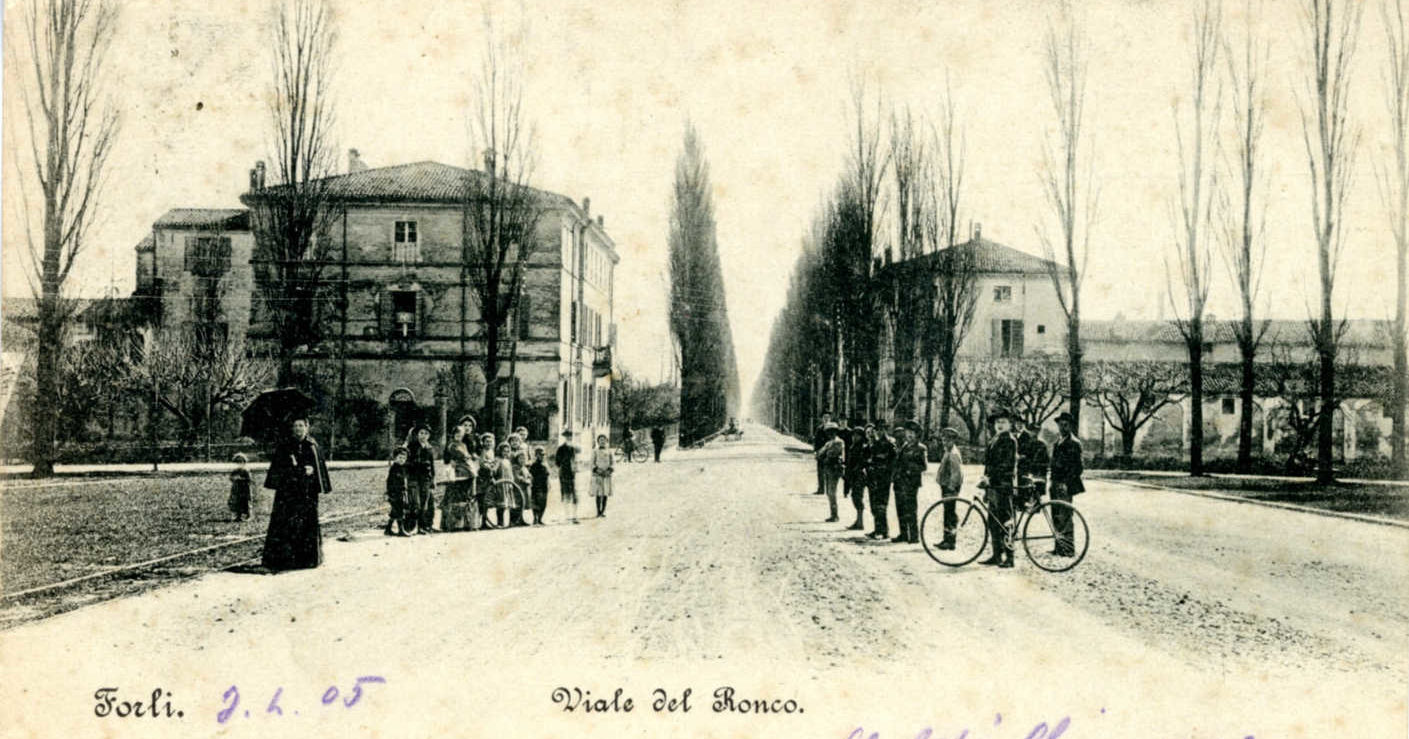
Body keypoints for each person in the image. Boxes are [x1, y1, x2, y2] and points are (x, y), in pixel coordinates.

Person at [261, 417, 332, 571]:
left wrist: (311, 472)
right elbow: (278, 470)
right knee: (286, 523)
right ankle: (284, 559)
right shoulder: (285, 446)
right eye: (295, 425)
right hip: (288, 493)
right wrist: (296, 469)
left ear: (307, 427)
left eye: (301, 425)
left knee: (306, 523)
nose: (298, 428)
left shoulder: (312, 446)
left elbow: (318, 472)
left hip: (306, 493)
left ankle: (307, 559)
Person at [978, 409, 1019, 568]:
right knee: (993, 522)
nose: (1000, 425)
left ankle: (1010, 557)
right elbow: (989, 464)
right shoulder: (994, 439)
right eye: (997, 422)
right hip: (993, 486)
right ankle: (996, 555)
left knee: (1006, 522)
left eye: (1003, 422)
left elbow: (1006, 465)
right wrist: (986, 481)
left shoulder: (1009, 440)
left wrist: (990, 477)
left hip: (1004, 486)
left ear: (1010, 424)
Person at [1048, 411, 1085, 557]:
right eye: (1060, 424)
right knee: (1056, 515)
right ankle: (1058, 547)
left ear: (1070, 426)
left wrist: (1066, 483)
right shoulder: (1058, 442)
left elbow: (1077, 468)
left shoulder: (1074, 443)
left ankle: (1068, 549)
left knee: (1066, 516)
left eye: (1066, 425)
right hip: (1055, 483)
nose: (1063, 427)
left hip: (1065, 485)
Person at [440, 416, 479, 532]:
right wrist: (451, 461)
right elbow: (448, 456)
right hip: (459, 470)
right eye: (465, 425)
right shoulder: (453, 444)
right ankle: (454, 523)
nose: (467, 428)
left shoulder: (470, 440)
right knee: (456, 496)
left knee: (469, 496)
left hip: (469, 469)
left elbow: (473, 453)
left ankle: (469, 522)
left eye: (470, 425)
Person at [891, 420, 928, 544]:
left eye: (912, 433)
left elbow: (923, 466)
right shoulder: (904, 446)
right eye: (908, 432)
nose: (910, 435)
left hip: (911, 483)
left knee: (911, 509)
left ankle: (914, 536)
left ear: (917, 434)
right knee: (900, 508)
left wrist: (909, 469)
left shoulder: (921, 448)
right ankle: (903, 534)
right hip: (899, 482)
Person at [865, 421, 896, 540]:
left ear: (885, 430)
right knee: (874, 503)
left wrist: (889, 474)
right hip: (874, 476)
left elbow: (893, 461)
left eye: (882, 429)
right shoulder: (876, 443)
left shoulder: (889, 443)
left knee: (881, 504)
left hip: (884, 477)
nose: (879, 431)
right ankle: (878, 529)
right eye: (878, 429)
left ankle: (884, 531)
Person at [406, 424, 438, 535]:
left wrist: (433, 478)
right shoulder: (412, 446)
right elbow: (407, 462)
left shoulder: (429, 448)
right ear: (417, 434)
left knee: (425, 502)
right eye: (421, 433)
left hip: (426, 479)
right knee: (416, 503)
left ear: (429, 436)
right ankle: (412, 526)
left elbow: (432, 465)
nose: (423, 436)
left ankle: (423, 526)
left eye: (426, 434)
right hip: (414, 477)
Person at [935, 427, 964, 550]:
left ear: (952, 441)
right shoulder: (948, 451)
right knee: (947, 513)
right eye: (943, 440)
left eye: (947, 440)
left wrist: (951, 488)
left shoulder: (953, 454)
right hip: (946, 486)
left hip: (950, 488)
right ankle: (947, 539)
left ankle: (950, 541)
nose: (944, 443)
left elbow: (957, 473)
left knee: (950, 514)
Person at [1015, 417, 1050, 511]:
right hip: (1030, 467)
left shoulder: (1042, 444)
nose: (1034, 433)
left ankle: (1037, 505)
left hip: (1039, 468)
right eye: (1033, 431)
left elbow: (1045, 458)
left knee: (1038, 487)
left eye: (1036, 431)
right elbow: (1027, 454)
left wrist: (1040, 465)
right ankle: (1026, 504)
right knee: (1028, 486)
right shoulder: (1029, 443)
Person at [817, 423, 845, 522]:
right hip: (828, 468)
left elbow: (830, 454)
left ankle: (835, 515)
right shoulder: (828, 443)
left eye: (832, 431)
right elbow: (819, 454)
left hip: (834, 469)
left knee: (832, 492)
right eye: (828, 432)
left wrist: (824, 455)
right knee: (829, 493)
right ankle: (833, 514)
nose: (830, 434)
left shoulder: (838, 442)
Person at [843, 427, 869, 531]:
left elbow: (862, 462)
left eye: (857, 435)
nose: (855, 437)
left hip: (858, 476)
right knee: (855, 497)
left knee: (858, 498)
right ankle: (858, 521)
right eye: (853, 435)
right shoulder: (853, 447)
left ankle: (860, 522)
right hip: (852, 476)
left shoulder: (863, 447)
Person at [555, 430, 581, 524]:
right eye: (567, 436)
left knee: (575, 494)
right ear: (564, 437)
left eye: (570, 436)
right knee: (566, 494)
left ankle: (575, 516)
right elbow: (557, 462)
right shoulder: (561, 448)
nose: (569, 438)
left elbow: (578, 459)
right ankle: (567, 516)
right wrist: (564, 465)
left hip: (574, 474)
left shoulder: (575, 448)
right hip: (564, 473)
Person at [385, 445, 410, 536]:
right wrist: (390, 493)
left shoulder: (402, 468)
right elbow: (390, 481)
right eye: (399, 457)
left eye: (404, 458)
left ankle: (388, 529)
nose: (402, 460)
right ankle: (401, 530)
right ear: (395, 458)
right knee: (399, 511)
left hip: (400, 492)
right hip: (394, 493)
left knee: (394, 511)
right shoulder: (394, 468)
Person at [508, 433, 533, 526]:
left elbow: (525, 462)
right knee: (515, 500)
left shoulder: (522, 451)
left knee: (523, 500)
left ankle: (521, 518)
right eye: (512, 441)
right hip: (513, 479)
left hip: (522, 481)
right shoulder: (509, 453)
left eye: (517, 441)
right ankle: (513, 520)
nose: (515, 443)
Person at [591, 434, 614, 517]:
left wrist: (609, 470)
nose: (602, 442)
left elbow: (612, 463)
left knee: (605, 493)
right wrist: (597, 470)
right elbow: (592, 463)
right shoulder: (595, 451)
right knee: (598, 493)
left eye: (604, 440)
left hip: (607, 475)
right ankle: (598, 511)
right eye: (600, 440)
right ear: (598, 442)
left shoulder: (609, 451)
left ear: (606, 441)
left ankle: (603, 511)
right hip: (598, 475)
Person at [811, 411, 833, 495]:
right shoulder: (819, 429)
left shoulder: (833, 429)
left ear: (830, 419)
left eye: (828, 417)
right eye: (824, 418)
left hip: (830, 453)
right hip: (821, 453)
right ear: (822, 419)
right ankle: (821, 489)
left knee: (829, 471)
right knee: (820, 471)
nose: (826, 419)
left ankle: (829, 490)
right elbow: (816, 441)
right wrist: (815, 452)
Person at [228, 453, 253, 522]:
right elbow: (230, 477)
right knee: (237, 502)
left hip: (245, 488)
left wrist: (240, 479)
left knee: (246, 502)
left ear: (244, 462)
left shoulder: (246, 470)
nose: (239, 463)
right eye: (237, 462)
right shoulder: (235, 470)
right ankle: (238, 516)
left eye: (241, 461)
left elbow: (249, 479)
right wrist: (234, 479)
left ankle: (249, 516)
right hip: (237, 488)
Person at [529, 446, 550, 525]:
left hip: (544, 486)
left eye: (543, 455)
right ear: (536, 455)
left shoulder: (545, 465)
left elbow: (548, 475)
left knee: (543, 503)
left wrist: (548, 483)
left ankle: (540, 519)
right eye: (540, 455)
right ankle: (535, 519)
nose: (542, 456)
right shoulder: (534, 465)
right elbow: (531, 475)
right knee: (536, 503)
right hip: (536, 486)